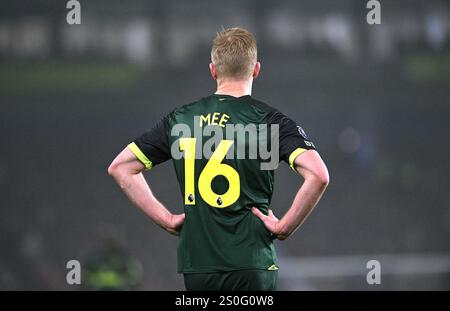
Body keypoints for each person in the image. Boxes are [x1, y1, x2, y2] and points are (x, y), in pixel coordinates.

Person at [108, 27, 329, 291]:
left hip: (199, 267)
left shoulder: (181, 120)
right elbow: (318, 175)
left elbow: (121, 167)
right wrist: (284, 226)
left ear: (213, 70)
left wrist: (166, 219)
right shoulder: (271, 122)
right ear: (256, 69)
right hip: (252, 263)